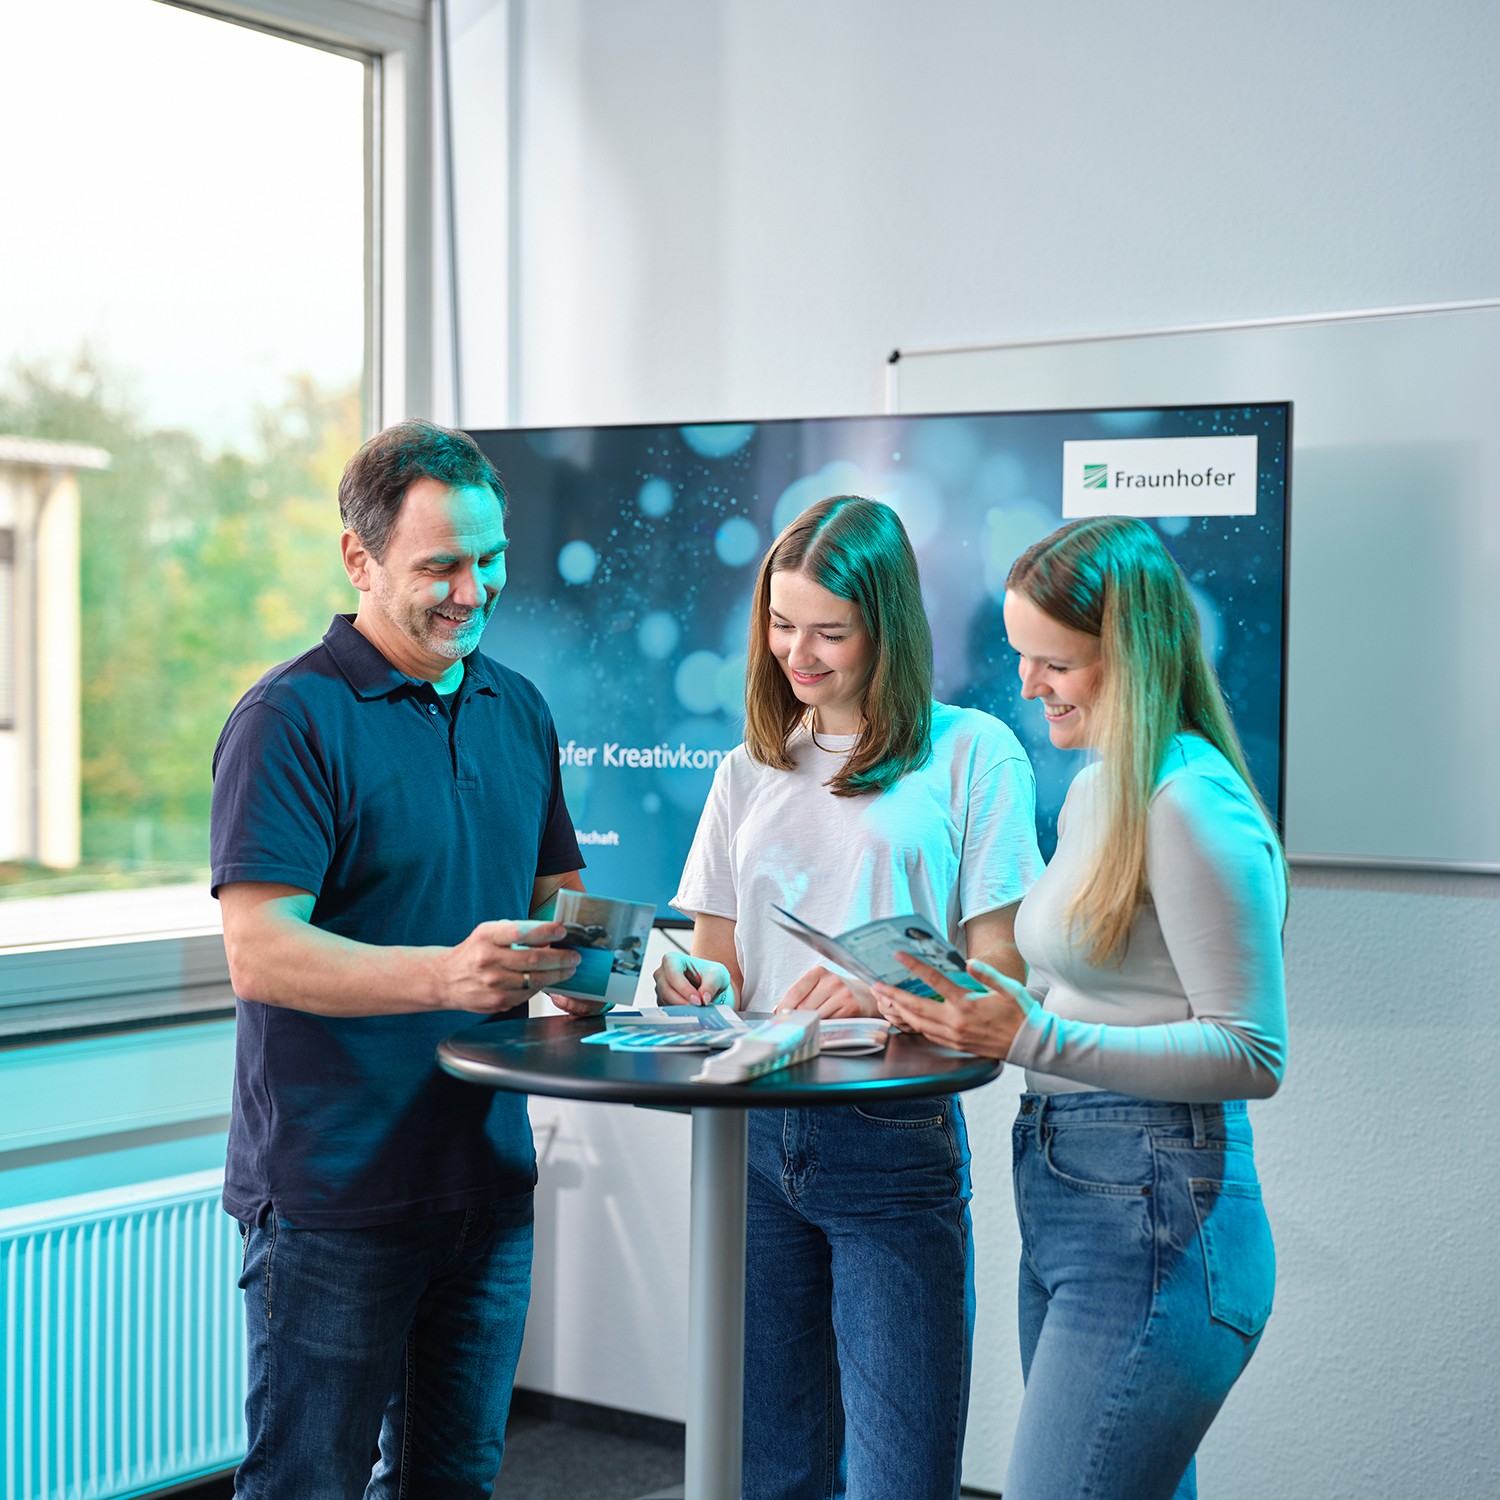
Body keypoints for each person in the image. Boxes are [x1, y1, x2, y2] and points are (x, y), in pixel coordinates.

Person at [210, 419, 601, 1500]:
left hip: (484, 1180)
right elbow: (261, 953)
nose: (473, 592)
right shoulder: (289, 720)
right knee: (310, 1485)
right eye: (441, 566)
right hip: (337, 1197)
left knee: (451, 1484)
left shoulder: (516, 706)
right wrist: (444, 977)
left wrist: (649, 974)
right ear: (360, 559)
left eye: (491, 560)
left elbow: (553, 912)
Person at [876, 515, 1287, 1500]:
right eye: (1022, 657)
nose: (1025, 685)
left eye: (1053, 662)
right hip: (1075, 1194)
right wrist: (971, 997)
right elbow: (1084, 986)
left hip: (1154, 1213)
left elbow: (1253, 1050)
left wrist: (1032, 1032)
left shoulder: (1190, 801)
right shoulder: (1102, 786)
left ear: (1133, 655)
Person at [657, 495, 1044, 1500]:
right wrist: (695, 982)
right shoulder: (746, 769)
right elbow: (718, 965)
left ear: (888, 627)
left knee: (899, 1475)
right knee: (773, 1466)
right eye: (781, 627)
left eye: (829, 632)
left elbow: (1005, 973)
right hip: (750, 1132)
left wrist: (885, 984)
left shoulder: (971, 752)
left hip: (891, 1129)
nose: (800, 653)